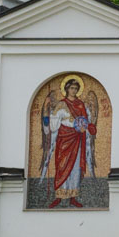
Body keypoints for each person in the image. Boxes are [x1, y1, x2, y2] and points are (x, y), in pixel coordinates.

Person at [42, 78, 98, 208]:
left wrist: (87, 127)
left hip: (77, 140)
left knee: (75, 168)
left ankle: (73, 196)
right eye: (72, 88)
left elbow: (85, 120)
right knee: (62, 166)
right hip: (64, 140)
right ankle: (59, 196)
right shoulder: (61, 104)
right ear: (66, 89)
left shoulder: (80, 104)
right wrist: (46, 109)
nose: (74, 91)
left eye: (76, 89)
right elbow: (53, 125)